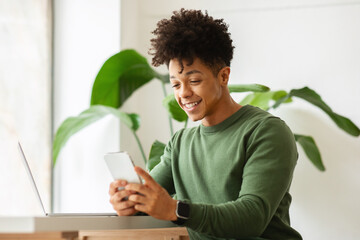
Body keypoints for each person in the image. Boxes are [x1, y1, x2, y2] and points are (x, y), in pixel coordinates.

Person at [109, 9, 302, 240]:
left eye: (194, 80)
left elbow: (252, 217)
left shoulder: (265, 131)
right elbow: (152, 199)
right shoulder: (180, 144)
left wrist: (175, 209)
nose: (184, 93)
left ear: (223, 76)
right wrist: (130, 203)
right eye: (176, 85)